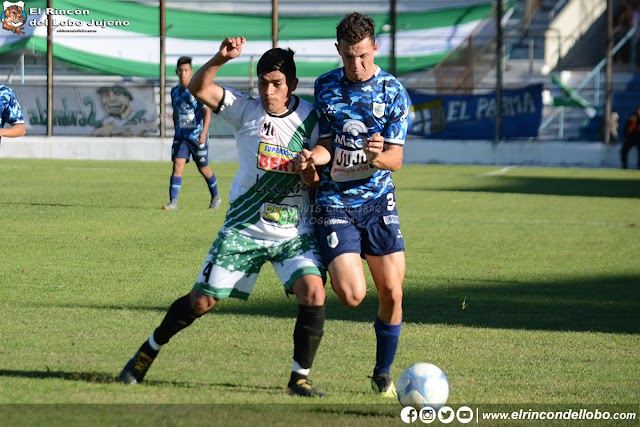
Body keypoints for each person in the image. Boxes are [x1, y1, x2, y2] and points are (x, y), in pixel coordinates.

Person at [119, 37, 328, 398]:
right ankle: (146, 353)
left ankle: (299, 378)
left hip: (294, 229)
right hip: (245, 228)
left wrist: (308, 170)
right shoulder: (244, 109)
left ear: (291, 85)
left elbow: (316, 177)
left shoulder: (310, 118)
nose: (268, 90)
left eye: (276, 83)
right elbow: (199, 87)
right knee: (201, 302)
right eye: (263, 82)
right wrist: (221, 57)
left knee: (313, 292)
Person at [295, 12, 411, 397]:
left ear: (375, 47)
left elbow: (396, 159)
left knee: (393, 292)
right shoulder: (326, 86)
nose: (356, 65)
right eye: (348, 56)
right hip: (335, 202)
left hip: (378, 201)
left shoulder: (393, 92)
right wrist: (316, 156)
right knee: (352, 296)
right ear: (338, 51)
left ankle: (382, 372)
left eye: (362, 55)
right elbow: (327, 143)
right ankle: (330, 254)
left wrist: (378, 157)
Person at [163, 56, 221, 210]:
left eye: (186, 70)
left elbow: (207, 112)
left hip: (196, 136)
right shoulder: (175, 91)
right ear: (177, 72)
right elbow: (175, 111)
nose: (183, 73)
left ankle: (215, 197)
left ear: (191, 72)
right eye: (180, 70)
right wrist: (176, 129)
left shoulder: (196, 90)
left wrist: (204, 132)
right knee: (178, 165)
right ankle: (173, 202)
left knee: (203, 168)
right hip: (182, 136)